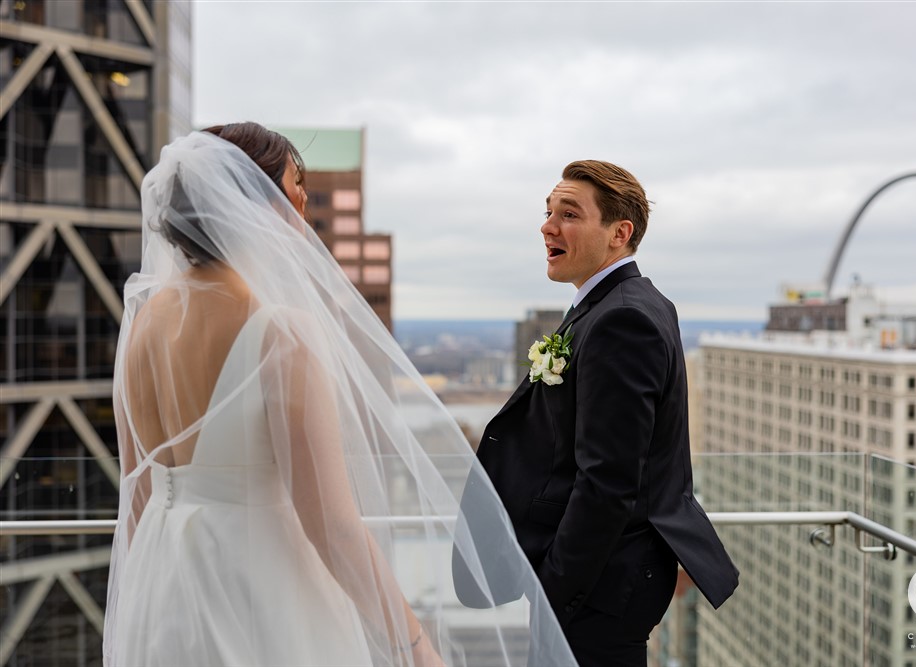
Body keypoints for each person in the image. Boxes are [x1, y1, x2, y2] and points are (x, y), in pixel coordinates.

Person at [103, 124, 577, 667]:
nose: (303, 197)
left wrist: (139, 598)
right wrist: (414, 646)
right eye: (293, 181)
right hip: (257, 588)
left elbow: (138, 493)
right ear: (252, 198)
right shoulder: (280, 331)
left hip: (161, 585)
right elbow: (330, 522)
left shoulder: (145, 321)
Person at [466, 161, 740, 667]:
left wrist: (553, 589)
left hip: (599, 585)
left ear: (619, 233)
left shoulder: (622, 319)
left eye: (569, 214)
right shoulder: (624, 303)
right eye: (548, 212)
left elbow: (609, 482)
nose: (548, 226)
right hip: (603, 577)